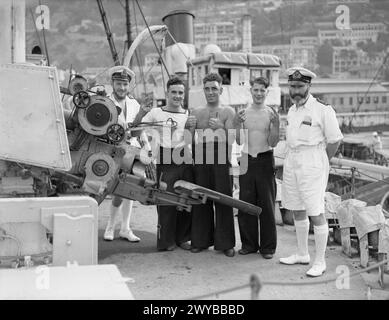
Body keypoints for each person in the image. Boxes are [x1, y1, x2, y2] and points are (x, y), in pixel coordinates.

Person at [279, 67, 343, 277]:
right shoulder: (292, 110)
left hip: (312, 161)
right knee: (297, 208)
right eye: (293, 86)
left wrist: (320, 161)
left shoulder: (322, 110)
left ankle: (320, 261)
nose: (296, 90)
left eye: (300, 86)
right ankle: (302, 253)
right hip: (292, 160)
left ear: (309, 86)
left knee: (316, 212)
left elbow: (335, 140)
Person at [133, 77, 195, 251]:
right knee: (166, 203)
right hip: (165, 160)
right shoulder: (155, 113)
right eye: (174, 92)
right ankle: (166, 241)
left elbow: (189, 141)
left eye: (180, 92)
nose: (177, 96)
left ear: (184, 95)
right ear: (167, 93)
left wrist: (191, 129)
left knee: (185, 201)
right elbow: (135, 131)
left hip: (184, 159)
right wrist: (139, 114)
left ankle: (182, 238)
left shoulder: (188, 114)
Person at [190, 73, 236, 257]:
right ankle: (200, 241)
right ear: (204, 90)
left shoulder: (228, 112)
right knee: (201, 201)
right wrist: (188, 127)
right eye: (207, 89)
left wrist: (221, 127)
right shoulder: (196, 112)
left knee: (224, 202)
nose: (210, 92)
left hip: (221, 161)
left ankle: (226, 244)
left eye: (214, 88)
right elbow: (188, 139)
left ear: (221, 90)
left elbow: (234, 139)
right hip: (201, 161)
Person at [234, 76, 280, 259]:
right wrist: (237, 124)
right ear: (250, 90)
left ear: (266, 92)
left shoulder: (271, 114)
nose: (259, 93)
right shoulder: (243, 113)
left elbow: (273, 142)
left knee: (267, 206)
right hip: (245, 159)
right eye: (256, 90)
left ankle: (268, 248)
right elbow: (239, 141)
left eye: (262, 90)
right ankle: (249, 245)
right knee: (246, 205)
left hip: (264, 158)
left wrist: (276, 126)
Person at [103, 65, 150, 242]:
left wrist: (146, 146)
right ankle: (110, 227)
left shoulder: (134, 104)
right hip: (112, 150)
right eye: (118, 83)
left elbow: (141, 128)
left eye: (124, 84)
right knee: (116, 190)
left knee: (130, 189)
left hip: (133, 151)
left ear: (129, 85)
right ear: (112, 84)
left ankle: (125, 228)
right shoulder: (105, 102)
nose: (121, 88)